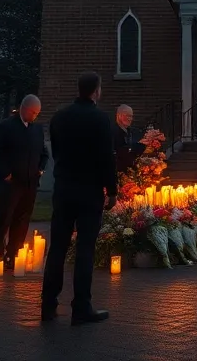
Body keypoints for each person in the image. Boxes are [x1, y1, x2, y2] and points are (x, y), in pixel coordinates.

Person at [42, 72, 117, 325]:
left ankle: (48, 304)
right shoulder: (100, 120)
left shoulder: (60, 117)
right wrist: (112, 189)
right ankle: (81, 306)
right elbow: (107, 158)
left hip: (64, 189)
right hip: (89, 191)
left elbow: (56, 151)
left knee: (58, 248)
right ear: (96, 91)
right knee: (85, 249)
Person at [0, 94, 49, 268]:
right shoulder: (7, 127)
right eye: (34, 112)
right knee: (4, 218)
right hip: (12, 184)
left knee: (22, 220)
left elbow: (43, 153)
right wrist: (5, 173)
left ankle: (14, 254)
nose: (36, 115)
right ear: (25, 109)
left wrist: (40, 169)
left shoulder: (36, 129)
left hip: (30, 184)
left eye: (38, 113)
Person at [112, 104, 143, 174]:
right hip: (116, 171)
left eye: (131, 116)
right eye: (128, 116)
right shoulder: (111, 132)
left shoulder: (134, 132)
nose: (130, 119)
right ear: (119, 115)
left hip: (131, 171)